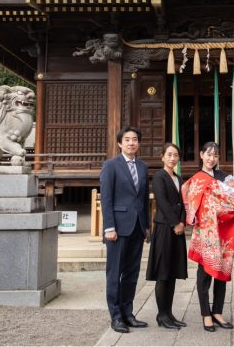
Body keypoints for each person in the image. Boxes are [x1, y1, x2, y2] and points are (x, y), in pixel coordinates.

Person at [181, 142, 234, 332]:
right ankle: (206, 314)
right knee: (205, 273)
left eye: (215, 155)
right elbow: (188, 196)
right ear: (201, 155)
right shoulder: (196, 179)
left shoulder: (225, 177)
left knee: (222, 272)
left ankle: (217, 311)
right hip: (207, 233)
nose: (211, 159)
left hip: (224, 231)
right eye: (208, 154)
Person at [100, 126, 150, 334]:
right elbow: (107, 198)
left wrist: (147, 225)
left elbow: (144, 198)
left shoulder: (143, 166)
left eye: (135, 139)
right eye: (127, 139)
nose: (131, 143)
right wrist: (109, 227)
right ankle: (116, 316)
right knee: (115, 273)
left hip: (137, 227)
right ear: (120, 143)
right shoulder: (111, 165)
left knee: (131, 273)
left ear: (139, 143)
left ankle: (128, 313)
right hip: (118, 229)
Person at [145, 143, 188, 329]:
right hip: (164, 228)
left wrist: (183, 222)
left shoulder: (179, 177)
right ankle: (161, 315)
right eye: (169, 155)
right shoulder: (159, 176)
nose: (172, 158)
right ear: (162, 157)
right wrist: (175, 223)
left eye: (175, 155)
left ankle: (169, 313)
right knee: (163, 272)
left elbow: (184, 203)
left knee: (172, 272)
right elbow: (161, 202)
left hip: (177, 229)